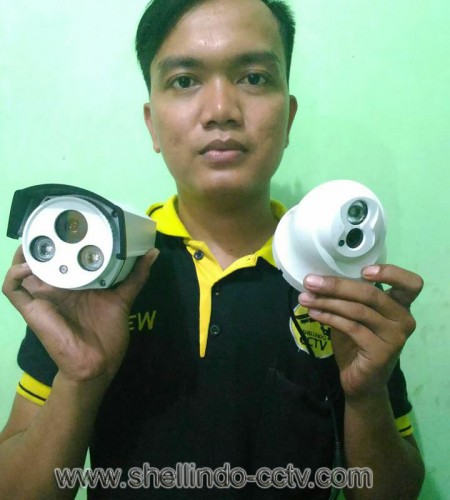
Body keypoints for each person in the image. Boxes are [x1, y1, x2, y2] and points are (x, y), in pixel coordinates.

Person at [0, 0, 425, 498]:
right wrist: (81, 378)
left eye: (254, 78)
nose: (221, 110)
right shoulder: (96, 275)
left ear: (288, 117)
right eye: (184, 81)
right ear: (152, 123)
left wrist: (366, 397)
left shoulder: (337, 275)